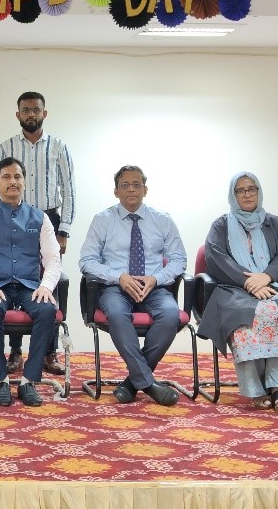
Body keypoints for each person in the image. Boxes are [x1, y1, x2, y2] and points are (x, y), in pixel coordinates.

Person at [197, 172, 278, 414]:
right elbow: (216, 259)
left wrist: (266, 276)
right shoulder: (221, 226)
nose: (247, 194)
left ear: (259, 192)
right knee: (246, 317)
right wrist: (248, 282)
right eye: (240, 190)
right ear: (233, 195)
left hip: (276, 285)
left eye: (252, 189)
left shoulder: (274, 223)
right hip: (234, 288)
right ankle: (257, 389)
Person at [79, 165, 186, 406]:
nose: (131, 189)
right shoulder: (103, 220)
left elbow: (179, 259)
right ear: (116, 191)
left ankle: (132, 383)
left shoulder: (162, 220)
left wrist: (156, 278)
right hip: (115, 287)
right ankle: (148, 383)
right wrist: (119, 277)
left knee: (170, 315)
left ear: (145, 190)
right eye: (125, 185)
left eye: (136, 184)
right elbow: (86, 261)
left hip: (154, 286)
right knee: (117, 314)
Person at [0, 157, 62, 407]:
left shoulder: (40, 218)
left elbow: (53, 258)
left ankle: (29, 380)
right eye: (6, 177)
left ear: (24, 182)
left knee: (47, 310)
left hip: (30, 286)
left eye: (17, 177)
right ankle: (2, 380)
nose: (12, 182)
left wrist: (46, 286)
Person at [0, 92, 75, 376]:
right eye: (26, 110)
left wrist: (64, 230)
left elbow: (69, 189)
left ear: (44, 113)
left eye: (36, 110)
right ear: (18, 114)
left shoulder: (58, 146)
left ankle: (49, 352)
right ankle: (16, 352)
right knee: (14, 279)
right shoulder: (6, 147)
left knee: (48, 284)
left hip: (49, 219)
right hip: (12, 217)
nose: (31, 114)